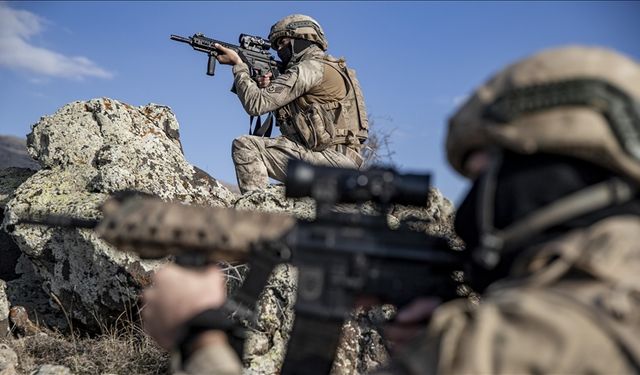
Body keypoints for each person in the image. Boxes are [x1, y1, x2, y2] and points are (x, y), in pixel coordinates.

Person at [142, 45, 640, 374]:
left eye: (490, 174)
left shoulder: (547, 337)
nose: (474, 205)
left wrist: (199, 337)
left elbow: (262, 103)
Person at [213, 14, 369, 194]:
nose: (279, 50)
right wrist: (269, 87)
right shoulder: (327, 68)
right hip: (341, 162)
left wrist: (239, 66)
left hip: (330, 162)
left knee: (246, 146)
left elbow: (255, 104)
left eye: (283, 43)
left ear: (301, 39)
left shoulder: (310, 68)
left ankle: (258, 215)